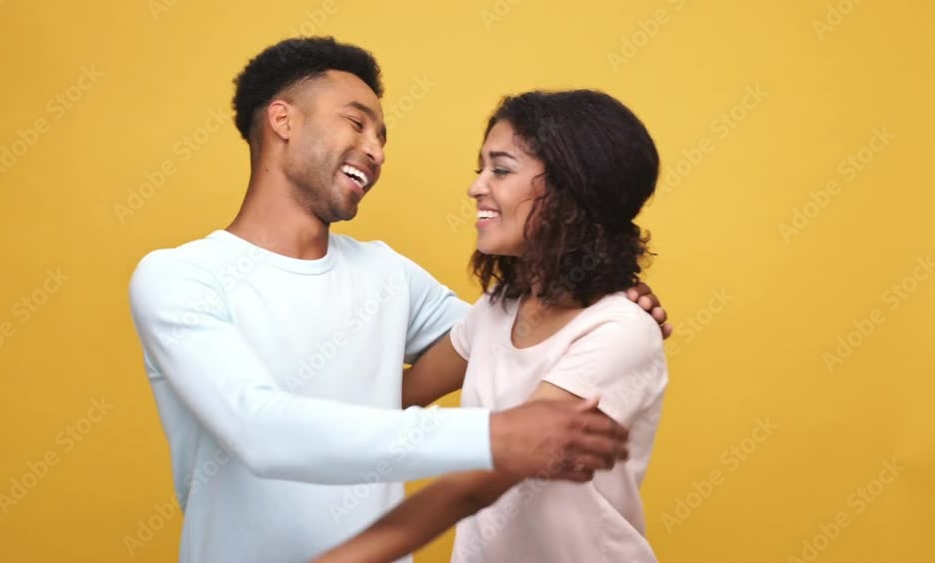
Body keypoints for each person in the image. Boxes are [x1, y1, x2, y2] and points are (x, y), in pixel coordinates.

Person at [127, 37, 671, 563]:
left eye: (383, 135)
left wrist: (605, 291)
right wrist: (494, 433)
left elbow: (524, 344)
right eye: (356, 122)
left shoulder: (389, 274)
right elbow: (259, 430)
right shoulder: (180, 278)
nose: (376, 150)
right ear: (283, 120)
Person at [312, 88, 669, 563]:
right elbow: (390, 399)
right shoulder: (496, 311)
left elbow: (495, 468)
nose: (477, 187)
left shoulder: (622, 329)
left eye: (500, 170)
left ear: (573, 188)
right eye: (480, 169)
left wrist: (351, 556)